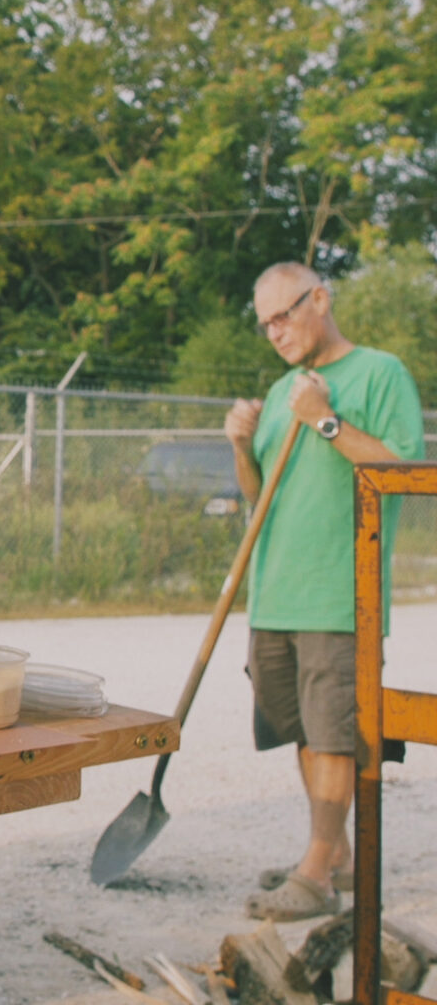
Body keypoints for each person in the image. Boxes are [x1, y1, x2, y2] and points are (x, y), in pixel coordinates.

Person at [224, 261, 423, 923]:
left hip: (341, 592)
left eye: (283, 316)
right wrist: (241, 447)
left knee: (335, 733)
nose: (275, 333)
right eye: (265, 325)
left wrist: (326, 421)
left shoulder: (379, 373)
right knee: (304, 729)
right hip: (275, 591)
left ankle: (313, 874)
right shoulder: (284, 389)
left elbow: (404, 469)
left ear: (320, 299)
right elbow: (260, 498)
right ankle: (336, 858)